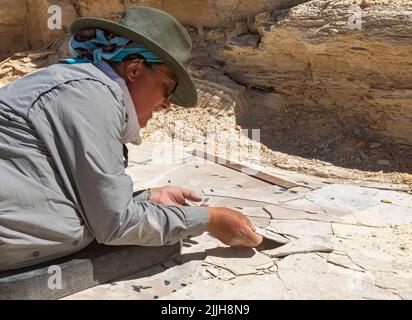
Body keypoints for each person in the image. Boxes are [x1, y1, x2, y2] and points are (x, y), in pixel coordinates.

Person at [0, 7, 262, 271]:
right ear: (134, 70)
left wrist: (144, 199)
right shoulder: (92, 96)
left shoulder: (80, 86)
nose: (167, 105)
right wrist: (210, 220)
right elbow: (114, 225)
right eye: (168, 88)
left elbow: (84, 198)